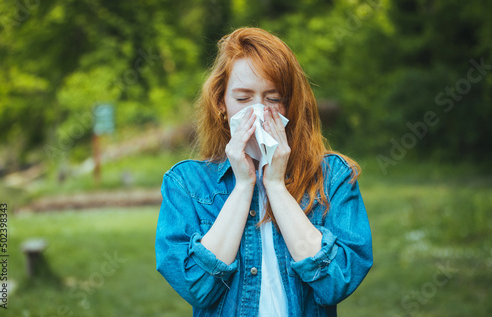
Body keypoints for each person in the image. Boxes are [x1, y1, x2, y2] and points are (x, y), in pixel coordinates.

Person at [155, 27, 373, 316]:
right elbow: (195, 286)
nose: (258, 111)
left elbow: (337, 282)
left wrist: (276, 186)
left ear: (291, 104)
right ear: (221, 103)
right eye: (243, 99)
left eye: (273, 98)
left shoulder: (334, 176)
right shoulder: (186, 183)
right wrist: (244, 184)